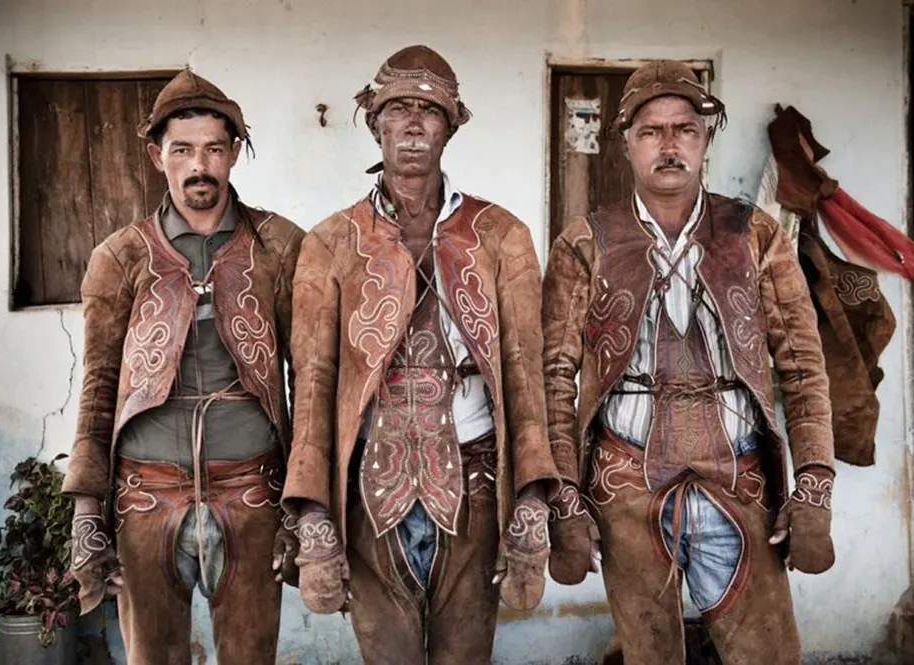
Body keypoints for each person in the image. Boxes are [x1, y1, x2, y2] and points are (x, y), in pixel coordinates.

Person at [542, 60, 836, 664]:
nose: (669, 145)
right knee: (650, 653)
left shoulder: (752, 234)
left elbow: (803, 367)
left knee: (767, 653)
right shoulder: (585, 242)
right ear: (626, 144)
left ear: (705, 141)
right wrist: (565, 499)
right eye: (652, 131)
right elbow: (553, 380)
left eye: (685, 129)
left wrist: (814, 483)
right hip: (625, 483)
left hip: (740, 477)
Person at [281, 45, 559, 664]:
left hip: (477, 476)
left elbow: (525, 373)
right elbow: (315, 382)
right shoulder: (332, 241)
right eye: (397, 109)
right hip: (369, 484)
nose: (412, 124)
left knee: (466, 657)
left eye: (428, 111)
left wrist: (534, 499)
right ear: (375, 122)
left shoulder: (502, 235)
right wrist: (313, 513)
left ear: (450, 126)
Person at [62, 69, 304, 665]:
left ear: (234, 155)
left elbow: (314, 378)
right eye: (183, 150)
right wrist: (86, 511)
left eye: (215, 149)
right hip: (146, 493)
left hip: (252, 489)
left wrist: (309, 502)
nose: (200, 165)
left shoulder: (280, 246)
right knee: (152, 658)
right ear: (156, 156)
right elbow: (97, 388)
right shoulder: (120, 256)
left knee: (251, 656)